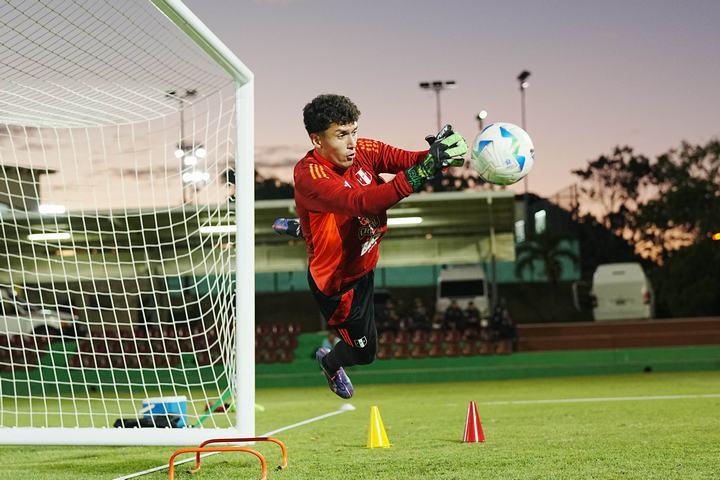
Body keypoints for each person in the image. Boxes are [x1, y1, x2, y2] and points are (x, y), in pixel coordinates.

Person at [273, 94, 467, 398]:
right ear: (317, 140)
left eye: (354, 131)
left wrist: (436, 156)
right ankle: (329, 362)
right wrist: (422, 171)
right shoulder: (310, 175)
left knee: (335, 224)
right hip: (340, 284)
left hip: (362, 256)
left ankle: (304, 228)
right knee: (365, 354)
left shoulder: (360, 150)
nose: (352, 143)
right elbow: (361, 202)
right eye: (341, 135)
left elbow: (406, 159)